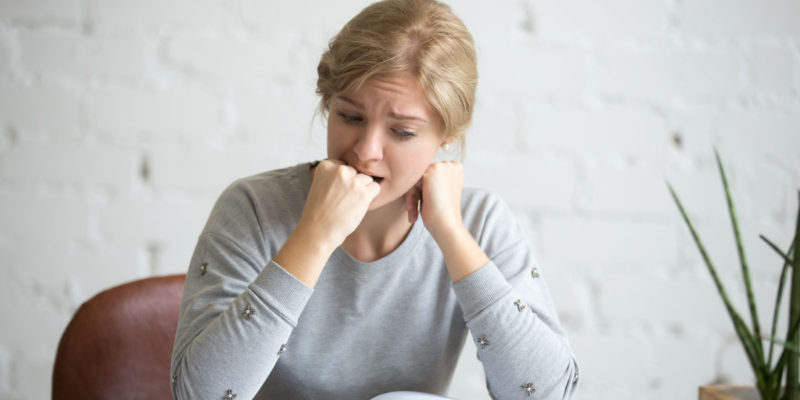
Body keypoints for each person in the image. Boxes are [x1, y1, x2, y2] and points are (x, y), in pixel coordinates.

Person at [170, 0, 579, 398]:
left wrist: (452, 235)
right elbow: (200, 394)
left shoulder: (480, 221)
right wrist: (314, 237)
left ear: (448, 133)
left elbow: (545, 392)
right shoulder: (254, 208)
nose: (366, 150)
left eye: (401, 132)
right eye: (350, 117)